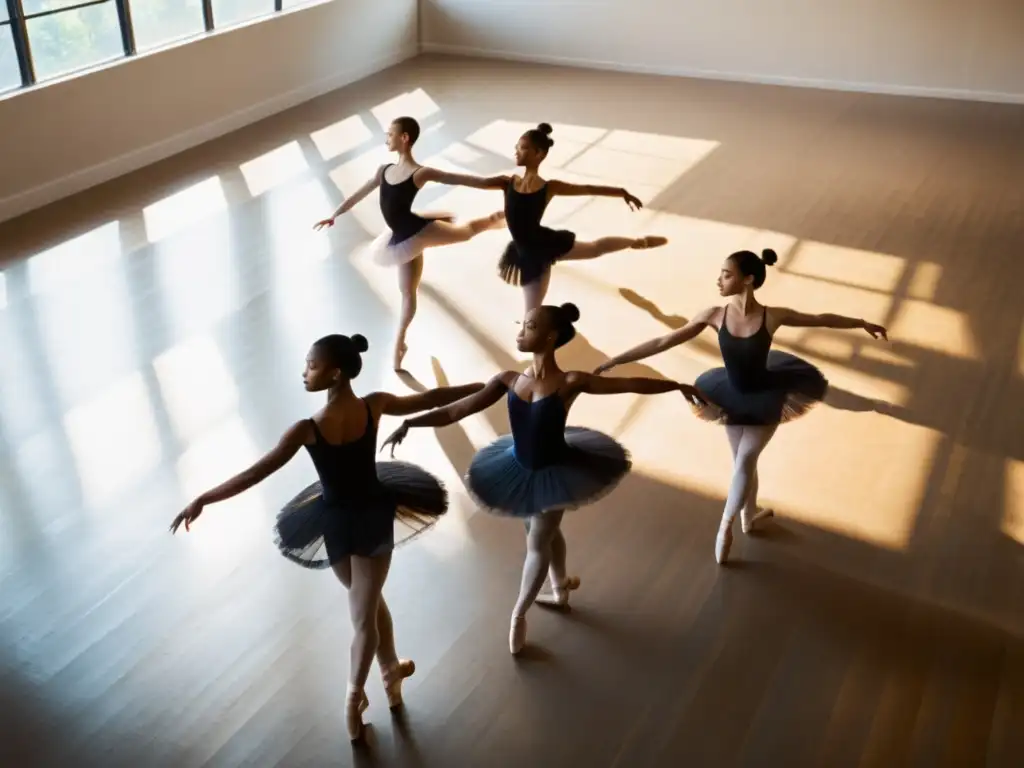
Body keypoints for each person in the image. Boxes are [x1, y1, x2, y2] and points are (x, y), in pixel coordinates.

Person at [169, 333, 486, 741]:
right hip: (369, 516)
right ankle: (374, 682)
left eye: (312, 366)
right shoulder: (375, 405)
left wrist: (203, 499)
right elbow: (432, 399)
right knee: (366, 606)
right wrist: (483, 386)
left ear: (335, 373)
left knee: (363, 607)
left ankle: (363, 693)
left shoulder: (308, 429)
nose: (304, 373)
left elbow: (255, 473)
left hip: (336, 521)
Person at [380, 303, 704, 655]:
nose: (520, 331)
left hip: (557, 469)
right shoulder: (508, 379)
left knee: (539, 539)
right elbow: (460, 409)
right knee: (543, 531)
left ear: (549, 337)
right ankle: (561, 586)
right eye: (522, 324)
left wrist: (675, 384)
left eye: (529, 326)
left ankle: (518, 615)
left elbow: (627, 383)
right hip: (517, 467)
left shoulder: (570, 382)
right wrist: (413, 423)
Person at [594, 248, 889, 565]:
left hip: (767, 395)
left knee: (745, 459)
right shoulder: (714, 315)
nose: (718, 280)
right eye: (721, 273)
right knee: (742, 463)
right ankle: (749, 517)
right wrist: (617, 359)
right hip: (729, 394)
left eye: (726, 274)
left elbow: (820, 320)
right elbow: (664, 341)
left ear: (748, 279)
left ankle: (726, 527)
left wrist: (862, 323)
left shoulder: (771, 316)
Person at [314, 116, 506, 371]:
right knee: (408, 292)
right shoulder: (382, 170)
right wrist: (334, 215)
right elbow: (358, 194)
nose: (387, 138)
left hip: (420, 232)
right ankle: (400, 343)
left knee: (465, 233)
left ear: (404, 138)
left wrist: (500, 183)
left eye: (390, 134)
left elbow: (463, 179)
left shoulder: (420, 173)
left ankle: (493, 219)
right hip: (399, 240)